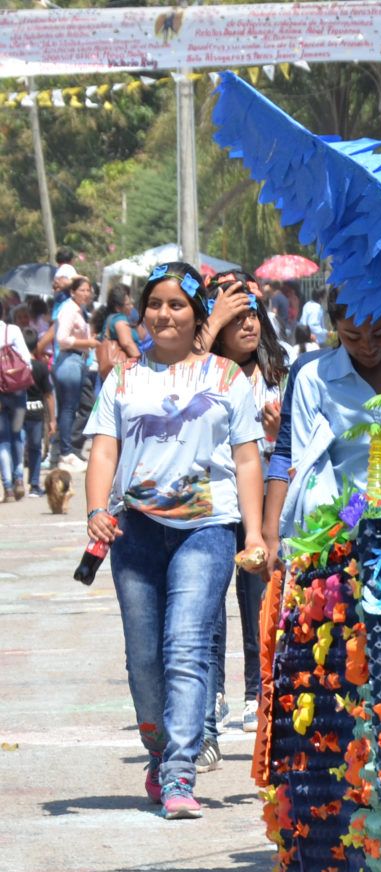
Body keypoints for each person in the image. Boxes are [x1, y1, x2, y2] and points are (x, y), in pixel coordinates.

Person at [83, 262, 266, 819]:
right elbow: (105, 449)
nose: (165, 313)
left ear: (197, 314)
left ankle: (181, 772)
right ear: (143, 313)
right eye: (156, 304)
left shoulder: (226, 378)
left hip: (207, 530)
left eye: (178, 304)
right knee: (144, 660)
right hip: (134, 532)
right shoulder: (123, 378)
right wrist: (95, 509)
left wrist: (254, 532)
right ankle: (160, 754)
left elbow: (247, 457)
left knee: (186, 647)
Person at [262, 290, 381, 573]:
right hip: (334, 538)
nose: (368, 346)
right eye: (352, 336)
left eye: (379, 333)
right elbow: (298, 462)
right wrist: (272, 536)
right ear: (334, 327)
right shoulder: (314, 379)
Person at [196, 269, 289, 769]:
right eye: (238, 319)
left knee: (259, 602)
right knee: (209, 607)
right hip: (213, 500)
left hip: (260, 504)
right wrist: (210, 327)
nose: (249, 326)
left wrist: (277, 432)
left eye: (254, 316)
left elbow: (293, 446)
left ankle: (258, 694)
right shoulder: (204, 370)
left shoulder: (279, 371)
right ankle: (210, 700)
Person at [52, 276, 98, 470]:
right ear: (72, 292)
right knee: (69, 408)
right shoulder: (69, 310)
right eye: (82, 290)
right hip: (69, 360)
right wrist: (86, 343)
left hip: (77, 360)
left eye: (88, 290)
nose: (86, 294)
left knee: (72, 408)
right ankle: (65, 452)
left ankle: (66, 451)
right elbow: (61, 338)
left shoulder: (81, 311)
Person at [0, 302, 31, 502]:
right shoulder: (12, 330)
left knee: (2, 440)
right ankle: (20, 478)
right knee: (18, 434)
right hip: (18, 392)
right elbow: (26, 359)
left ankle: (8, 488)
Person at [21, 327, 55, 498]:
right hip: (36, 414)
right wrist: (52, 420)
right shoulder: (41, 367)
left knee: (16, 446)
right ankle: (34, 484)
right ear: (36, 347)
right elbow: (48, 395)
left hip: (17, 413)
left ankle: (16, 480)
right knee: (35, 448)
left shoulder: (17, 365)